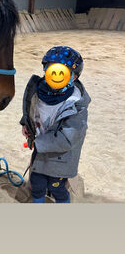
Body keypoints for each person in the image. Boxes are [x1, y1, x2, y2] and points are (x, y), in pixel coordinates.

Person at [20, 46, 90, 203]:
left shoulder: (76, 105)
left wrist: (38, 142)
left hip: (61, 157)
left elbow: (67, 138)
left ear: (74, 77)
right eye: (51, 70)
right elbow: (30, 109)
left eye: (62, 72)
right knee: (37, 183)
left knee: (56, 186)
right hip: (41, 151)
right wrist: (26, 124)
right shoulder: (37, 91)